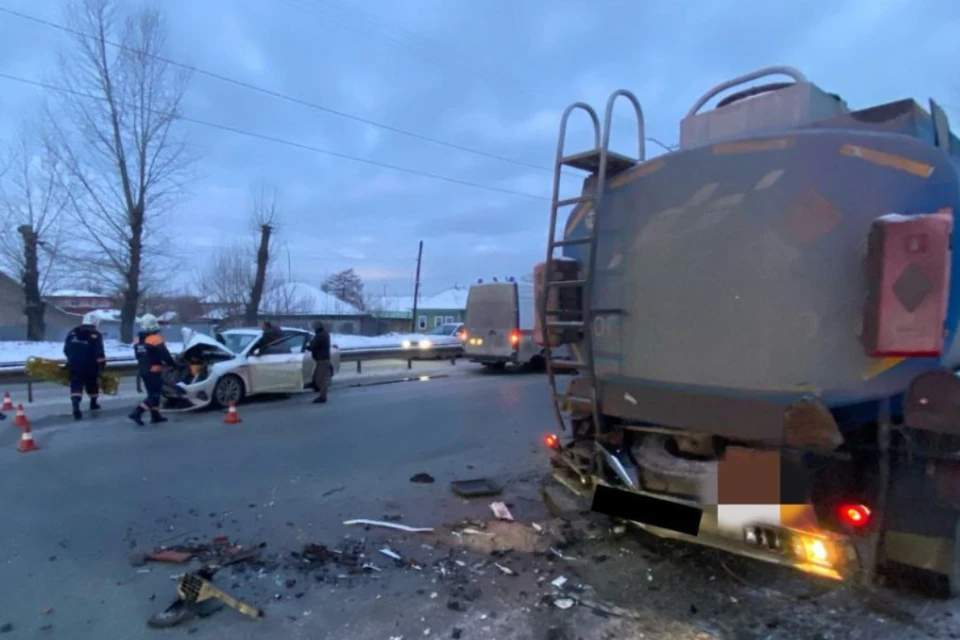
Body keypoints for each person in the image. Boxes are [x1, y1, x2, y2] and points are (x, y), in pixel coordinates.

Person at [130, 314, 174, 426]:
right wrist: (172, 364)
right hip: (154, 370)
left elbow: (138, 356)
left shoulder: (137, 340)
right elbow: (165, 355)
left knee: (153, 393)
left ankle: (155, 416)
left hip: (143, 370)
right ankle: (137, 412)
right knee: (154, 394)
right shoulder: (155, 339)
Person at [63, 312, 106, 420]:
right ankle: (93, 403)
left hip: (74, 364)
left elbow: (66, 349)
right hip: (90, 365)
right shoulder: (96, 335)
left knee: (76, 384)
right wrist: (101, 366)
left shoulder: (73, 332)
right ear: (95, 323)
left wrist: (72, 359)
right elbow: (99, 352)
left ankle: (76, 405)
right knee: (92, 384)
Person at [307, 320, 331, 404]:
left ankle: (323, 397)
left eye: (314, 327)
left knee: (320, 379)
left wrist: (308, 343)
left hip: (322, 360)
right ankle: (322, 395)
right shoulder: (324, 334)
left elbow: (313, 346)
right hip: (323, 359)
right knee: (319, 379)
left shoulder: (319, 335)